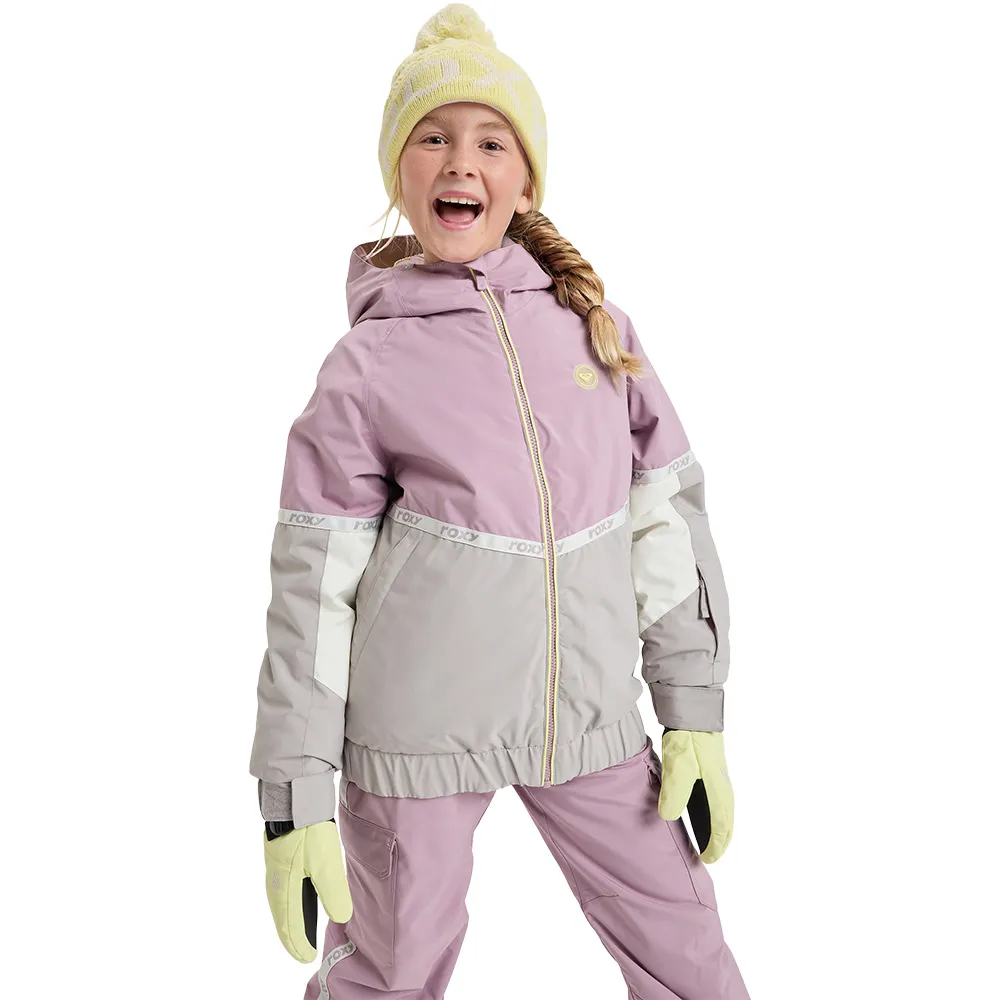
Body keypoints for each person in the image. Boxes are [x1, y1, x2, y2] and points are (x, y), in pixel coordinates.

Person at [249, 5, 751, 998]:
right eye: (431, 138)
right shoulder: (369, 364)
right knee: (388, 968)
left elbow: (665, 523)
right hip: (415, 739)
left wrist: (692, 710)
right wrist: (295, 796)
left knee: (686, 951)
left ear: (525, 181)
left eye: (491, 141)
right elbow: (313, 589)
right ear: (398, 176)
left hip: (590, 720)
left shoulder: (597, 330)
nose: (460, 162)